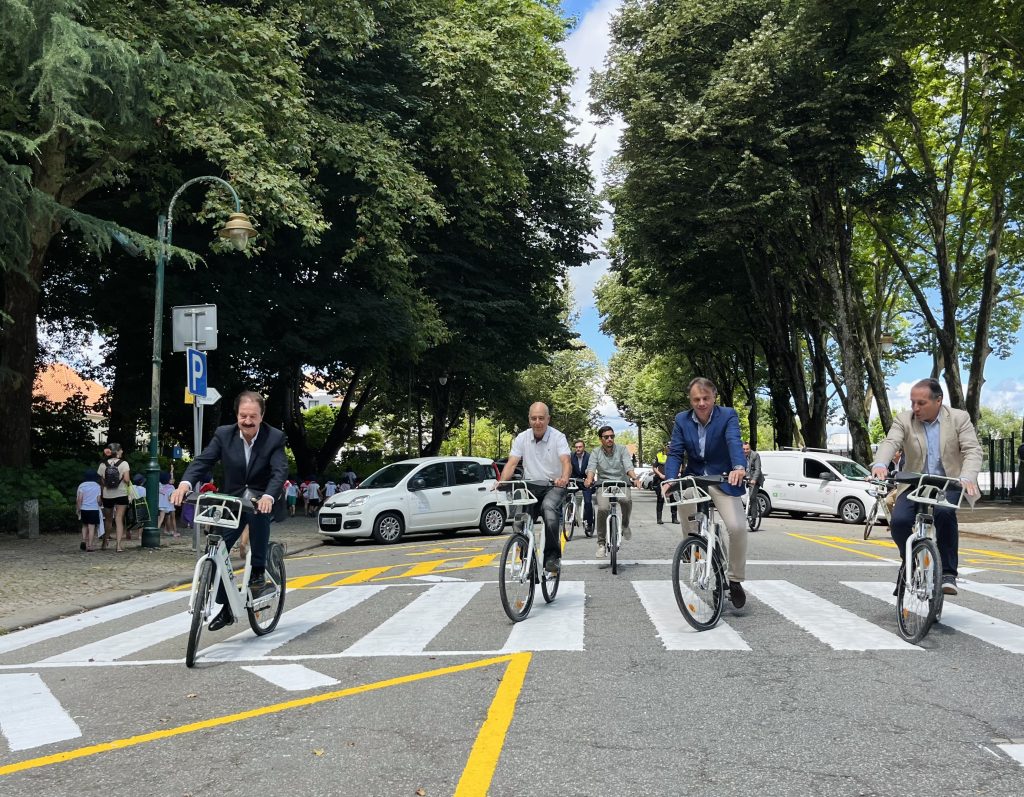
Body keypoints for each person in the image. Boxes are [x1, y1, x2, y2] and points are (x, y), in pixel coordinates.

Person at [170, 390, 288, 631]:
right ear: (236, 415)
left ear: (261, 416)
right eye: (243, 415)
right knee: (217, 548)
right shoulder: (224, 435)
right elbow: (203, 461)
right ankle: (226, 607)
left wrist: (268, 496)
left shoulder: (274, 437)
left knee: (259, 518)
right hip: (232, 499)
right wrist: (184, 484)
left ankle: (257, 572)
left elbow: (279, 471)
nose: (247, 421)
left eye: (252, 416)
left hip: (260, 496)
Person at [871, 378, 982, 596]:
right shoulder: (904, 419)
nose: (915, 408)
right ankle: (909, 562)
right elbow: (891, 442)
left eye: (921, 403)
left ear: (938, 400)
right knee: (900, 521)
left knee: (944, 513)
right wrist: (880, 464)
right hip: (914, 482)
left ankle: (948, 574)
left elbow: (972, 450)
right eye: (912, 402)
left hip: (948, 482)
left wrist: (968, 476)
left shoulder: (959, 418)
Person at [662, 377, 749, 609]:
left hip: (723, 478)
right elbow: (675, 452)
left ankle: (735, 579)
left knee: (738, 527)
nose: (701, 403)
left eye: (706, 398)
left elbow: (734, 442)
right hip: (695, 478)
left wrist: (739, 468)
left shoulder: (728, 415)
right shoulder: (681, 420)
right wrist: (670, 479)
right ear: (690, 401)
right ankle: (692, 543)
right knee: (683, 498)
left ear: (714, 397)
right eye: (696, 399)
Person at [496, 402, 571, 574]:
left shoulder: (558, 437)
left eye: (541, 418)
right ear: (529, 420)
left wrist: (564, 478)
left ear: (548, 419)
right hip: (531, 485)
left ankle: (552, 557)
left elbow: (566, 461)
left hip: (554, 485)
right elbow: (512, 463)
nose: (538, 422)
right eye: (534, 418)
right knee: (521, 521)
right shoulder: (522, 438)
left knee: (549, 510)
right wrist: (501, 482)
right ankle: (526, 559)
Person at [585, 426, 640, 558]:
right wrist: (589, 479)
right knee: (603, 508)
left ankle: (625, 524)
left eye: (612, 436)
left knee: (626, 500)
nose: (610, 439)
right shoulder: (596, 452)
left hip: (621, 482)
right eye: (606, 437)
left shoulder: (621, 449)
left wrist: (635, 478)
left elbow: (628, 465)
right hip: (604, 484)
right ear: (601, 439)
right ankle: (601, 544)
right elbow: (591, 468)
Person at [97, 443, 131, 552]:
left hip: (108, 495)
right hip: (121, 494)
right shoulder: (124, 463)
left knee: (108, 520)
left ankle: (104, 542)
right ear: (117, 451)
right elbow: (126, 479)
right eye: (121, 450)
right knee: (119, 519)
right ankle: (118, 545)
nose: (122, 452)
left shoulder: (103, 464)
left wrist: (102, 494)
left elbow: (102, 482)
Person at [569, 439, 594, 535]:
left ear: (583, 447)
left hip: (586, 481)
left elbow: (592, 468)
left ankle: (589, 524)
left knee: (588, 502)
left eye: (580, 447)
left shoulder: (589, 457)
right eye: (576, 447)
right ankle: (571, 513)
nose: (578, 449)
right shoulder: (571, 456)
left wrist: (589, 479)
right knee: (567, 497)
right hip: (575, 481)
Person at [76, 471, 102, 552]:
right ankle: (90, 546)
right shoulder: (97, 486)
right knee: (91, 528)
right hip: (94, 509)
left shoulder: (82, 486)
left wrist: (78, 508)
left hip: (84, 509)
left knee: (84, 525)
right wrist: (101, 504)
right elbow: (98, 500)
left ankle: (84, 540)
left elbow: (79, 499)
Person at [652, 444, 677, 525]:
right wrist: (660, 475)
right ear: (665, 448)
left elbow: (680, 466)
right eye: (668, 446)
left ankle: (674, 518)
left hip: (672, 480)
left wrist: (678, 473)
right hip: (661, 480)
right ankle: (659, 519)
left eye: (671, 446)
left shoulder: (675, 455)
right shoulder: (659, 455)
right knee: (660, 498)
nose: (669, 448)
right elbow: (654, 467)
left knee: (674, 499)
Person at [742, 440, 764, 532]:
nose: (745, 451)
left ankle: (754, 519)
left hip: (755, 479)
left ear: (750, 449)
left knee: (752, 497)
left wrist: (754, 479)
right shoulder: (740, 456)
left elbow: (757, 469)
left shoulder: (755, 455)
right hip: (745, 478)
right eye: (744, 449)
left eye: (747, 449)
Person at [158, 472, 179, 537]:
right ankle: (175, 532)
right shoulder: (171, 487)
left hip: (161, 505)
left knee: (161, 519)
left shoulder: (159, 485)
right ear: (168, 480)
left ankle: (156, 532)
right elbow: (170, 498)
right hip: (169, 506)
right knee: (173, 519)